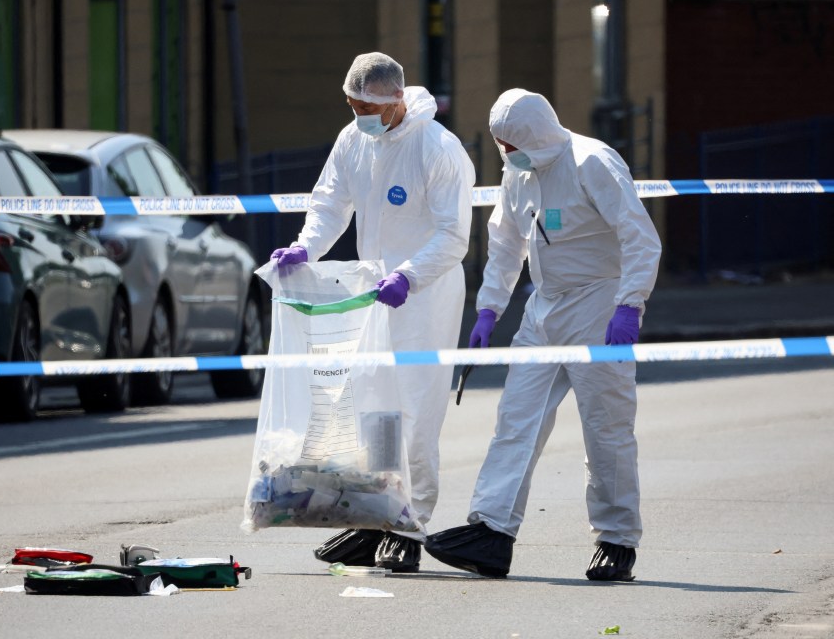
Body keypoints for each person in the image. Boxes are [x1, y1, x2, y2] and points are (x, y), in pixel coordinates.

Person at [424, 88, 662, 581]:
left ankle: (617, 540)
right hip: (545, 307)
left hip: (599, 302)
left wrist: (629, 305)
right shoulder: (519, 173)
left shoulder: (592, 162)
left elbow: (639, 235)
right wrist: (488, 309)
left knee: (606, 427)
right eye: (500, 144)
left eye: (510, 143)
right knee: (516, 419)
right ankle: (491, 530)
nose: (505, 152)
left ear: (534, 133)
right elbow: (507, 241)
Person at [269, 52, 475, 573]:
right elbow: (329, 204)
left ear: (394, 101)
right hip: (375, 293)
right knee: (373, 408)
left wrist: (410, 275)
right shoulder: (353, 140)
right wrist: (305, 248)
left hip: (424, 295)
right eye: (350, 103)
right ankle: (374, 516)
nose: (355, 112)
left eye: (364, 105)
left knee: (416, 408)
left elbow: (454, 235)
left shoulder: (437, 147)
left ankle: (409, 524)